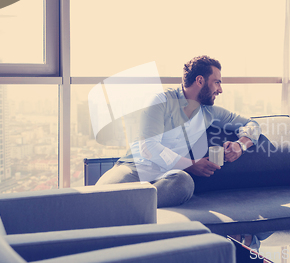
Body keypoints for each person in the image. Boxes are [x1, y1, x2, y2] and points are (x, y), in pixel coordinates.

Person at [96, 55, 261, 207]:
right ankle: (130, 207)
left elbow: (252, 124)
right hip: (134, 168)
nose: (220, 90)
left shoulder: (210, 112)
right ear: (200, 81)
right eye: (217, 82)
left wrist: (241, 145)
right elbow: (148, 148)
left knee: (185, 183)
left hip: (167, 178)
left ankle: (125, 207)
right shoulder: (161, 101)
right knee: (100, 195)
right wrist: (190, 164)